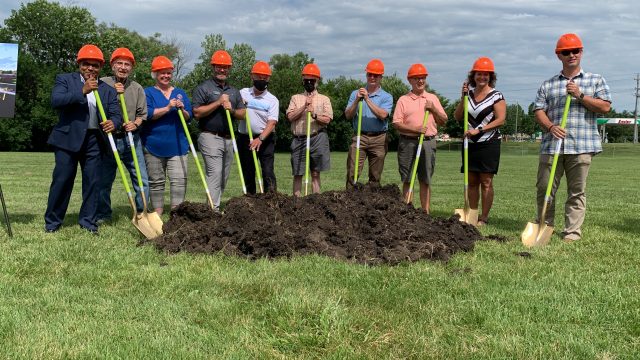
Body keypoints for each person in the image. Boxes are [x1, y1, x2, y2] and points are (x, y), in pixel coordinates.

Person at [533, 33, 611, 242]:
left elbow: (605, 107)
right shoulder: (548, 84)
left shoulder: (596, 80)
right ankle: (544, 225)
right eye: (566, 52)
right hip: (552, 146)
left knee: (577, 192)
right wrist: (550, 126)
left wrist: (580, 95)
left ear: (581, 52)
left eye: (575, 51)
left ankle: (572, 233)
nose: (571, 55)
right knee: (545, 188)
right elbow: (538, 110)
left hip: (582, 145)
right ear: (559, 55)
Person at [44, 44, 121, 234]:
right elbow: (56, 101)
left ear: (100, 67)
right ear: (79, 64)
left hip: (95, 139)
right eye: (86, 64)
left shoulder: (108, 90)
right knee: (62, 180)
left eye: (95, 65)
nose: (90, 69)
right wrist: (82, 91)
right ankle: (53, 222)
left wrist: (114, 123)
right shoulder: (65, 80)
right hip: (67, 140)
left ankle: (88, 222)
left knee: (93, 182)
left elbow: (116, 114)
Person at [97, 48, 149, 223]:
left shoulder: (137, 88)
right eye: (119, 63)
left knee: (141, 179)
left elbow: (143, 115)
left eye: (127, 64)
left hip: (131, 139)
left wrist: (135, 123)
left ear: (131, 68)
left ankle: (141, 212)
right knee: (103, 181)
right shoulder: (102, 83)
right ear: (112, 65)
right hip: (108, 140)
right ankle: (103, 214)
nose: (123, 67)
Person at [453, 57, 506, 226]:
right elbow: (458, 116)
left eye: (485, 74)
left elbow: (501, 120)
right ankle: (472, 215)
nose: (482, 77)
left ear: (490, 76)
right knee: (472, 181)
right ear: (473, 76)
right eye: (478, 74)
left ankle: (484, 217)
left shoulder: (496, 95)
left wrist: (480, 130)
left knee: (486, 181)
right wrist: (463, 97)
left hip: (488, 142)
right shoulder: (468, 95)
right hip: (470, 144)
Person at [192, 50, 246, 210]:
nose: (222, 70)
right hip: (210, 136)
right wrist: (218, 103)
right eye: (219, 67)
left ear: (229, 69)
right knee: (215, 172)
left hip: (229, 139)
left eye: (225, 67)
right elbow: (196, 113)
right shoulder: (204, 88)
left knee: (223, 176)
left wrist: (232, 111)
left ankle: (212, 206)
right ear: (213, 67)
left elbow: (242, 113)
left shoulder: (234, 91)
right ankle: (212, 210)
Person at [392, 63, 448, 213]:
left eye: (422, 78)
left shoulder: (432, 98)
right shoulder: (403, 100)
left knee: (425, 179)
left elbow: (443, 120)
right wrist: (415, 129)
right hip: (408, 142)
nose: (420, 81)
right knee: (407, 178)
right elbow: (396, 123)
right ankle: (407, 212)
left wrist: (433, 109)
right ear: (410, 80)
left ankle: (425, 212)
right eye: (416, 78)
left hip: (428, 143)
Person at [141, 56, 193, 215]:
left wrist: (182, 109)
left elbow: (189, 117)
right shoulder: (147, 92)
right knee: (156, 182)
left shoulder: (180, 93)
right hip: (153, 145)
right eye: (162, 73)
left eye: (168, 73)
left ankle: (176, 214)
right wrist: (168, 107)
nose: (166, 76)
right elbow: (148, 114)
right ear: (155, 74)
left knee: (179, 181)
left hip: (178, 145)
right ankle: (157, 214)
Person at [344, 59, 393, 189]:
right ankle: (350, 200)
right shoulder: (355, 94)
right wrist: (357, 100)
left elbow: (383, 115)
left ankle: (372, 205)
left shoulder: (386, 97)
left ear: (381, 77)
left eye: (376, 75)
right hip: (360, 136)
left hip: (379, 139)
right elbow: (348, 115)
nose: (372, 77)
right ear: (366, 75)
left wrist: (367, 99)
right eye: (369, 74)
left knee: (375, 175)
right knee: (352, 172)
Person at [286, 63, 333, 196]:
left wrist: (314, 114)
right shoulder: (295, 98)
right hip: (299, 139)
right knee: (298, 173)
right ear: (303, 81)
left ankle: (315, 202)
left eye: (312, 80)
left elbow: (327, 119)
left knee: (315, 172)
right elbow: (290, 116)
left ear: (317, 81)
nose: (309, 83)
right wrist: (303, 108)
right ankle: (296, 202)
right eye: (306, 80)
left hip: (317, 137)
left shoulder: (324, 99)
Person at [239, 61, 279, 194]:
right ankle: (250, 201)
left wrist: (260, 139)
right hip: (245, 138)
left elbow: (272, 122)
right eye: (259, 77)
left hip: (265, 139)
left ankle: (271, 199)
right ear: (252, 77)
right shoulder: (243, 93)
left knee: (267, 171)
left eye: (265, 78)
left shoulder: (272, 100)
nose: (262, 80)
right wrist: (239, 105)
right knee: (248, 171)